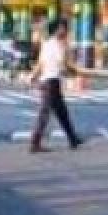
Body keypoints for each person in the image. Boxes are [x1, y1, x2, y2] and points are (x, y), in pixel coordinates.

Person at [28, 19, 83, 153]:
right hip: (51, 82)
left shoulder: (46, 44)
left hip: (50, 82)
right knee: (45, 113)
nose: (66, 31)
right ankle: (35, 143)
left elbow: (41, 63)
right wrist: (75, 72)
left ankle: (73, 139)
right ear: (58, 29)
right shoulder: (59, 45)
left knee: (62, 112)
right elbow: (62, 64)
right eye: (64, 28)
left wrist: (33, 76)